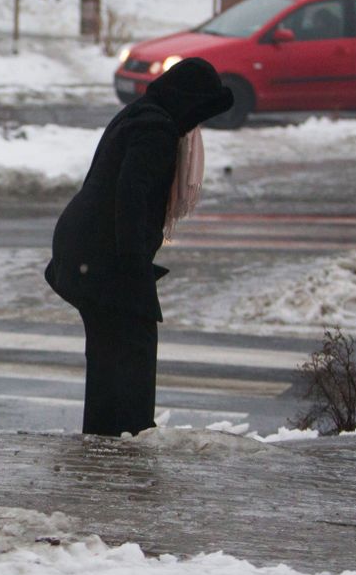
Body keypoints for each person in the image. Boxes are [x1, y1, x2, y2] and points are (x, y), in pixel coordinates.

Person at [45, 58, 232, 437]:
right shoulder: (156, 131)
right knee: (132, 347)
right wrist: (134, 271)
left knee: (110, 353)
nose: (197, 125)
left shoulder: (139, 115)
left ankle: (105, 439)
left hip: (84, 251)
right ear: (188, 100)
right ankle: (127, 438)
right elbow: (131, 197)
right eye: (200, 113)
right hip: (101, 257)